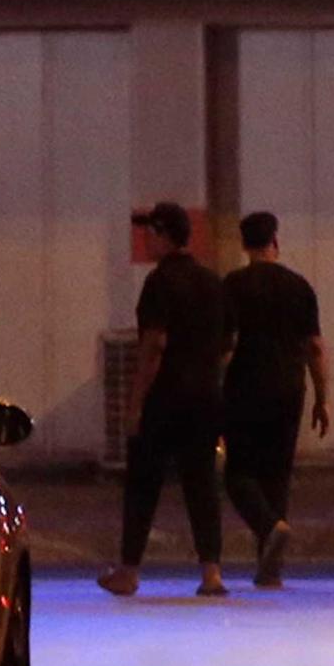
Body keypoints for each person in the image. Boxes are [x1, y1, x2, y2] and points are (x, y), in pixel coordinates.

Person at [100, 201, 230, 599]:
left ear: (162, 234)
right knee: (202, 484)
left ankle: (128, 571)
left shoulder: (159, 283)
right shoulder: (213, 283)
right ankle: (211, 573)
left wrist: (136, 401)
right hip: (205, 396)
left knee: (143, 483)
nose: (144, 240)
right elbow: (227, 343)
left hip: (165, 396)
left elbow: (154, 345)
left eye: (149, 233)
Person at [219, 210, 328, 591]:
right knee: (277, 475)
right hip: (289, 388)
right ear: (275, 243)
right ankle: (270, 570)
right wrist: (322, 398)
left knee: (238, 474)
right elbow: (315, 347)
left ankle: (269, 527)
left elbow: (224, 346)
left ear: (244, 244)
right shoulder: (298, 286)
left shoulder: (232, 286)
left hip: (244, 388)